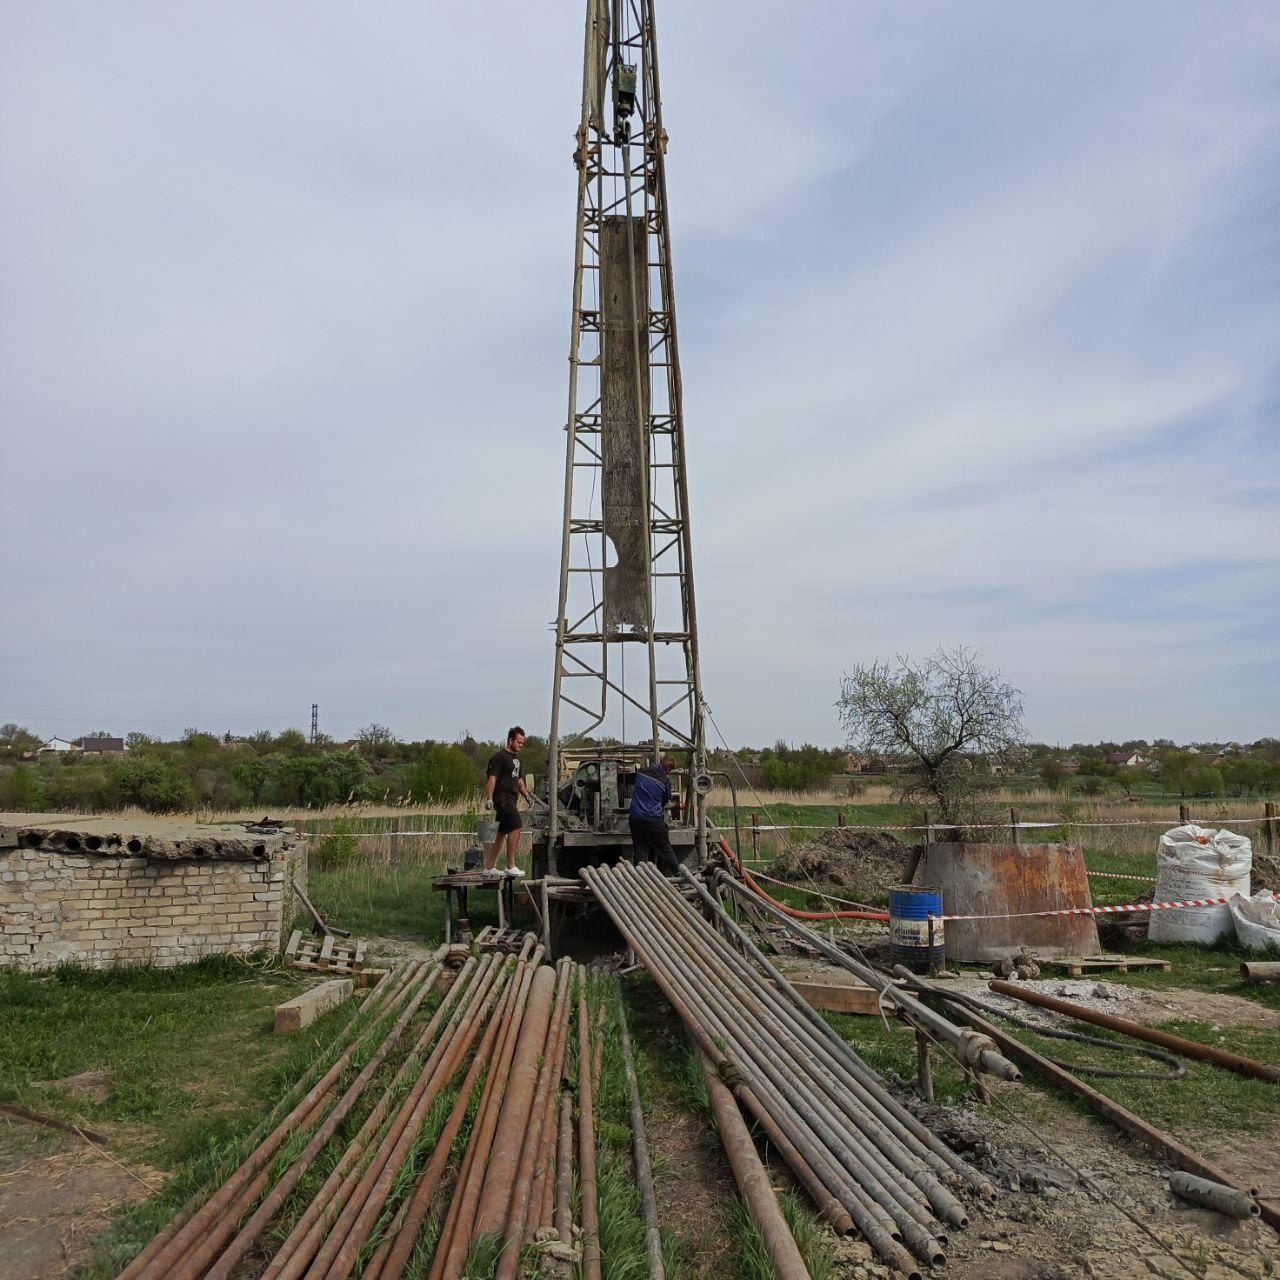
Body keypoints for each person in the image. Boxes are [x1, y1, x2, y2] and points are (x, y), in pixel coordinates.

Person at [482, 726, 532, 879]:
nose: (521, 746)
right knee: (516, 827)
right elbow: (492, 779)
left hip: (512, 798)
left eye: (523, 743)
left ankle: (489, 867)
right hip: (502, 799)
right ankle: (510, 866)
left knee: (501, 833)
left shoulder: (516, 760)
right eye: (519, 742)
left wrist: (527, 796)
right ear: (510, 740)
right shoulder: (499, 757)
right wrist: (489, 798)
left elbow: (519, 780)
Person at [629, 754, 680, 875]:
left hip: (635, 819)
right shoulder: (665, 781)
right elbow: (665, 800)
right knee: (665, 849)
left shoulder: (642, 772)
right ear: (668, 769)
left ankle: (640, 878)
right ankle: (679, 873)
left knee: (640, 850)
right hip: (653, 821)